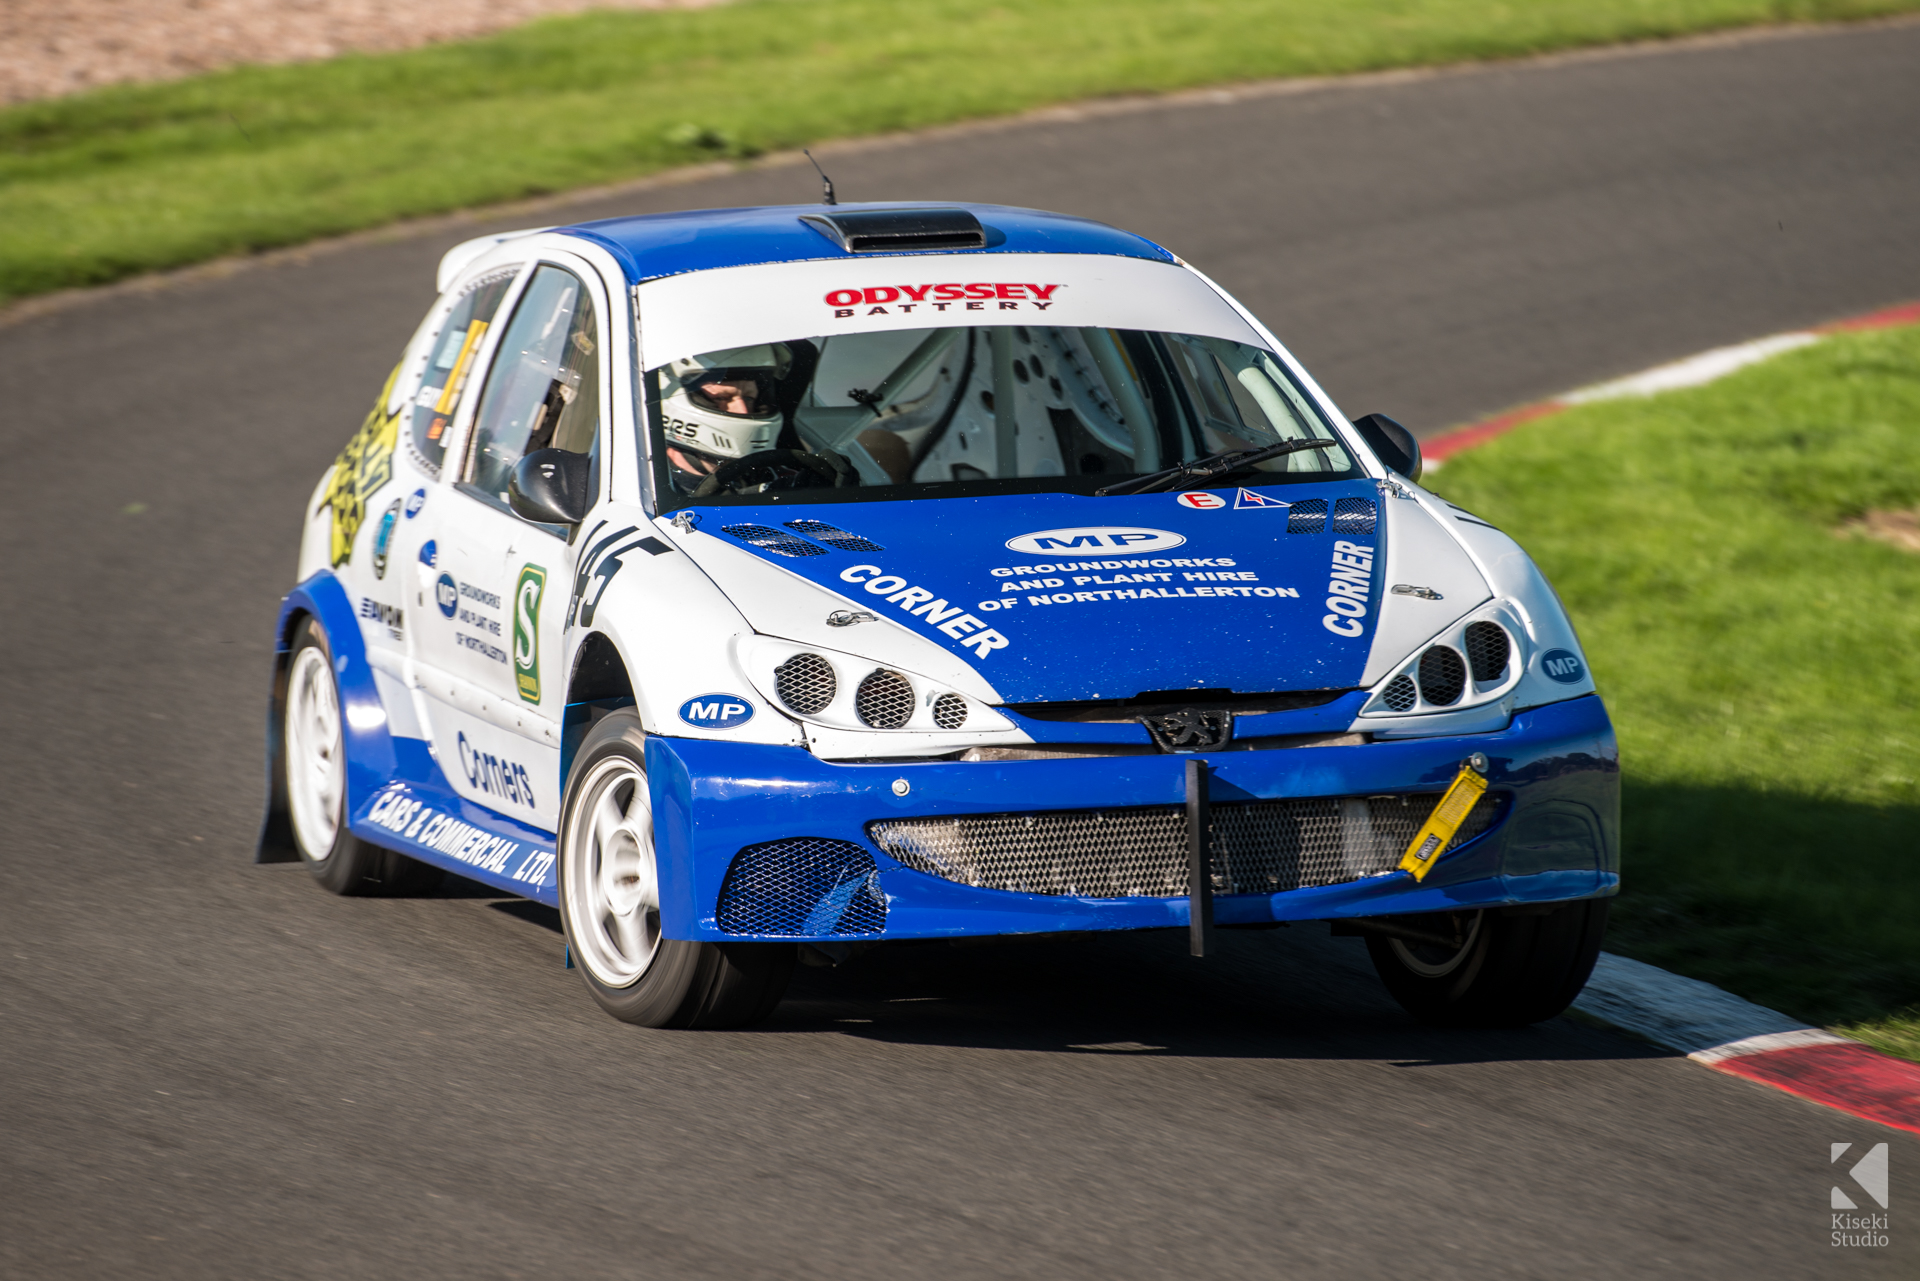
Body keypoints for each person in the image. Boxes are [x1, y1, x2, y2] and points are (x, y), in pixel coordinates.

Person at [658, 345, 792, 493]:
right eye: (721, 398)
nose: (743, 411)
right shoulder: (650, 494)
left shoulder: (778, 479)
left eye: (749, 398)